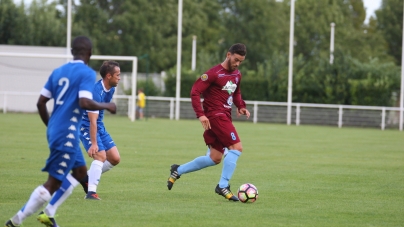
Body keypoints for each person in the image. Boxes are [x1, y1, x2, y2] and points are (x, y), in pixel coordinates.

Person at [4, 36, 116, 227]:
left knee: (80, 171)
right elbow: (84, 102)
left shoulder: (58, 72)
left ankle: (49, 212)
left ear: (72, 52)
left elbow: (40, 103)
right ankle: (16, 221)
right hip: (66, 132)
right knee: (53, 183)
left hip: (58, 129)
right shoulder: (86, 73)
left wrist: (51, 126)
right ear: (89, 54)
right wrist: (106, 105)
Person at [167, 43, 250, 201]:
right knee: (236, 148)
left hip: (224, 115)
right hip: (216, 116)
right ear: (228, 55)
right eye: (236, 60)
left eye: (241, 61)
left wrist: (241, 106)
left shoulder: (237, 75)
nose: (238, 64)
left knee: (215, 157)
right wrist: (201, 115)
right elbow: (195, 92)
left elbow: (236, 92)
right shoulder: (214, 73)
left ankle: (178, 170)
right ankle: (223, 186)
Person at [78, 60, 121, 200]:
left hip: (98, 124)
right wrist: (94, 143)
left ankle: (87, 177)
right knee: (100, 156)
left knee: (115, 158)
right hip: (86, 125)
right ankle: (91, 193)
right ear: (108, 76)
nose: (119, 78)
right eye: (117, 75)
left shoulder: (111, 88)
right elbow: (91, 120)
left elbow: (98, 117)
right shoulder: (95, 92)